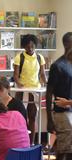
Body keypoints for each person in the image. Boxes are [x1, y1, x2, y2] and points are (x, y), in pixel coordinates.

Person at [13, 34, 47, 145]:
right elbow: (16, 75)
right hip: (22, 91)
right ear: (24, 46)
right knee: (21, 118)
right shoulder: (19, 57)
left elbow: (42, 74)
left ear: (35, 45)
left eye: (32, 46)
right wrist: (20, 85)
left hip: (35, 90)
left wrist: (47, 85)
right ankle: (21, 142)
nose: (30, 48)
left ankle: (31, 143)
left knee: (32, 117)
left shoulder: (39, 57)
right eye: (28, 46)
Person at [46, 32, 72, 160]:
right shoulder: (57, 66)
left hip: (70, 107)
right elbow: (49, 92)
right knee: (64, 149)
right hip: (62, 113)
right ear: (67, 44)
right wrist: (50, 119)